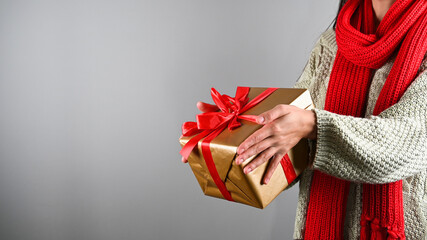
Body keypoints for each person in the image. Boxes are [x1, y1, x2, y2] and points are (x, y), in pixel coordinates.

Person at [183, 0, 427, 239]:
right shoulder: (330, 44)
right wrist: (233, 132)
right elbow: (294, 141)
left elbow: (407, 143)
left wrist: (312, 126)